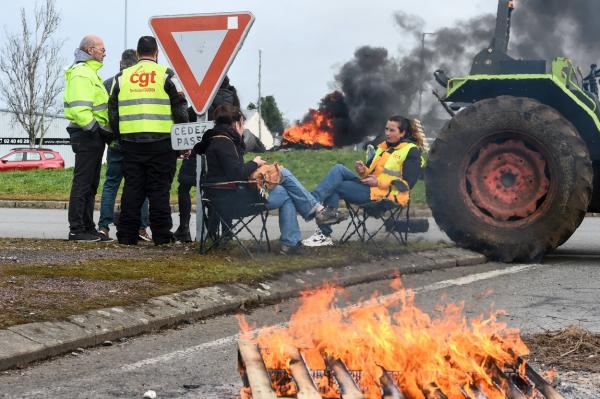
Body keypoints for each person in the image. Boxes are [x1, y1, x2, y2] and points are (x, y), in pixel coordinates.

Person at [192, 104, 346, 255]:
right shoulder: (224, 142)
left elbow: (229, 172)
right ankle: (311, 220)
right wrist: (255, 163)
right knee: (282, 176)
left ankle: (299, 233)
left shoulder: (216, 140)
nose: (243, 127)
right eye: (242, 123)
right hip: (234, 200)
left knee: (282, 186)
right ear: (235, 123)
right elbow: (237, 174)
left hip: (226, 195)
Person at [108, 36, 189, 245]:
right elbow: (180, 110)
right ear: (156, 53)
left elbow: (113, 112)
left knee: (132, 189)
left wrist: (120, 136)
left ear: (137, 53)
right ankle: (162, 236)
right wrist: (183, 143)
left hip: (131, 143)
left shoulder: (122, 77)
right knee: (159, 190)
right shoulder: (166, 75)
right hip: (162, 143)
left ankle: (126, 235)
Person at [303, 115, 424, 247]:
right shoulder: (383, 147)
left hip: (386, 196)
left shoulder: (411, 151)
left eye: (392, 130)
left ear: (403, 133)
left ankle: (323, 232)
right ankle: (313, 204)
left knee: (335, 187)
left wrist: (378, 183)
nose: (387, 133)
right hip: (371, 188)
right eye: (386, 129)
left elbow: (407, 184)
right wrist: (364, 171)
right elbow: (374, 173)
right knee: (338, 169)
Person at [174, 77, 241, 242]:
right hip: (226, 158)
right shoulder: (234, 102)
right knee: (219, 190)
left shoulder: (203, 103)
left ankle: (184, 228)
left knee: (184, 186)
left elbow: (187, 118)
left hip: (202, 152)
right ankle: (224, 231)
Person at [97, 49, 151, 242]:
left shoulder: (108, 83)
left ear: (120, 62)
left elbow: (104, 114)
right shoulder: (138, 82)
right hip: (135, 141)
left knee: (111, 184)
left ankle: (103, 227)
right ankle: (141, 228)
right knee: (139, 184)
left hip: (115, 143)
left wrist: (110, 137)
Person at [64, 35, 112, 242]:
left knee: (91, 183)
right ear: (91, 50)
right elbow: (79, 108)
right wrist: (94, 129)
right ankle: (76, 229)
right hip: (87, 134)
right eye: (102, 49)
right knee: (83, 182)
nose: (105, 53)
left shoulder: (89, 73)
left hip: (91, 134)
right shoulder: (82, 74)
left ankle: (87, 227)